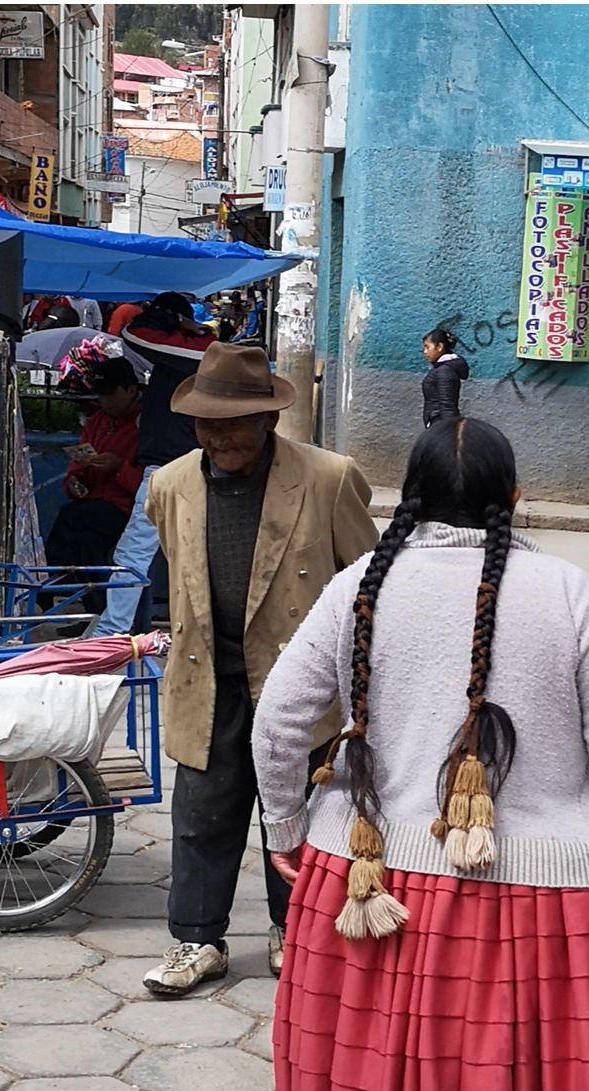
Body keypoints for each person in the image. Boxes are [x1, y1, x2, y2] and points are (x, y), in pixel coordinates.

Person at [250, 415, 589, 1091]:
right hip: (550, 896)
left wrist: (288, 831)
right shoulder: (565, 591)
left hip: (374, 883)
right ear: (515, 500)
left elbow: (278, 725)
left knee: (401, 1078)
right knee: (518, 1074)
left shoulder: (359, 589)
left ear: (405, 501)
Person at [138, 343, 378, 997]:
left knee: (296, 809)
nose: (218, 437)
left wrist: (363, 688)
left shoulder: (329, 478)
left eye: (231, 423)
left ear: (268, 420)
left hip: (298, 686)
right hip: (208, 678)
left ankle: (290, 930)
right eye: (205, 424)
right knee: (202, 812)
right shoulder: (171, 485)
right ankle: (197, 940)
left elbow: (369, 584)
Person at [95, 293, 219, 638]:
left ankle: (111, 632)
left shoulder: (194, 349)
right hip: (181, 464)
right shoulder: (182, 352)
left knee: (136, 552)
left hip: (176, 466)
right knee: (184, 552)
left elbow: (135, 333)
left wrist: (170, 321)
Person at [45, 358, 143, 614]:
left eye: (111, 394)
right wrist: (74, 484)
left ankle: (46, 589)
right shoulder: (96, 422)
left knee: (71, 518)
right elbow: (76, 470)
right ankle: (96, 613)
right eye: (101, 395)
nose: (105, 401)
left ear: (131, 390)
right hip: (92, 507)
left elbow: (148, 484)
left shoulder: (146, 426)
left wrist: (119, 468)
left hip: (126, 509)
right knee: (87, 544)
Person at [421, 326, 468, 429]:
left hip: (440, 427)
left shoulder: (444, 371)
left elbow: (447, 406)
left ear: (439, 347)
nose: (425, 352)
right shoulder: (443, 368)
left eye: (427, 347)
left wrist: (447, 435)